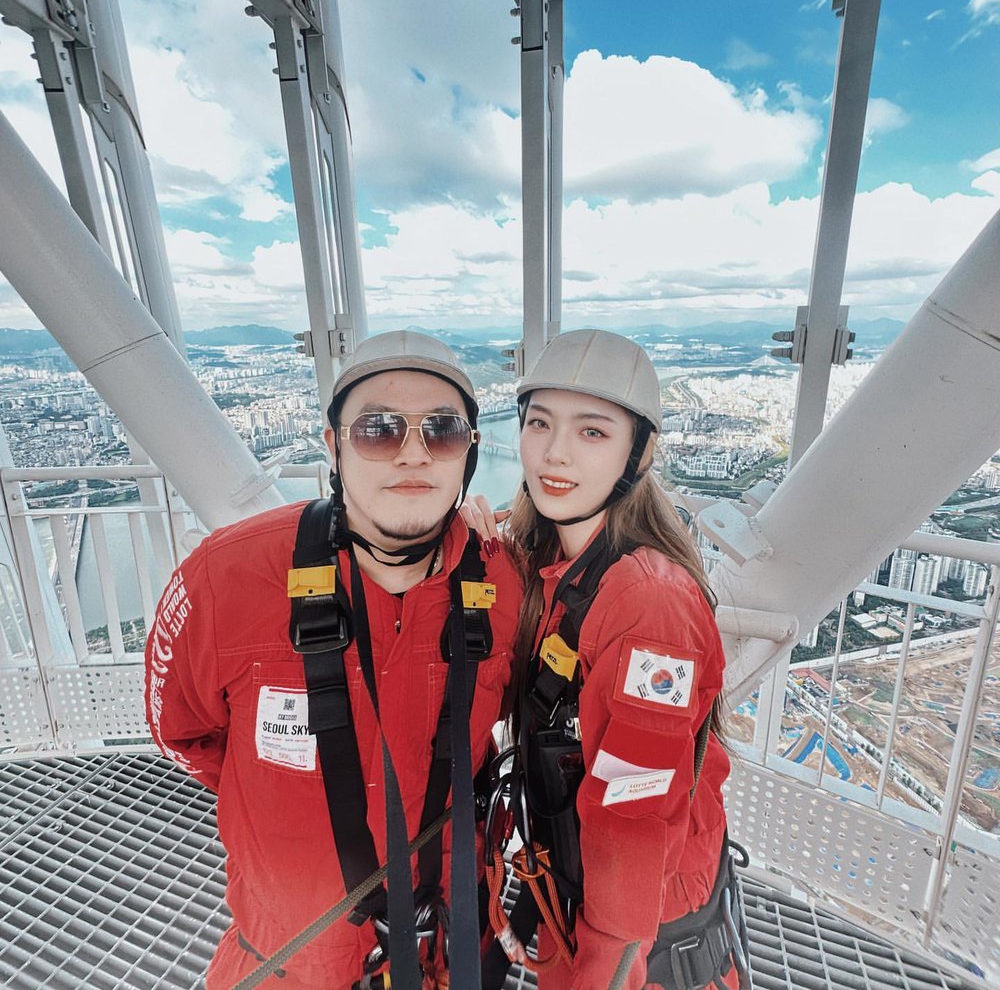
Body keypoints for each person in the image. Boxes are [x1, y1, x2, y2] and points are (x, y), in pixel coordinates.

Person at [144, 331, 520, 990]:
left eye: (444, 429)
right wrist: (282, 808)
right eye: (378, 430)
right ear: (333, 446)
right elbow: (184, 733)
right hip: (291, 961)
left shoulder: (506, 582)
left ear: (471, 452)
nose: (412, 453)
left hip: (454, 948)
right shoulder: (226, 579)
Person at [467, 329, 751, 990]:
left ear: (638, 453)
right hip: (579, 899)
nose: (555, 452)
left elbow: (633, 821)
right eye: (540, 424)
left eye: (592, 432)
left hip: (642, 943)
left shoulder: (649, 608)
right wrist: (468, 535)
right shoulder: (556, 563)